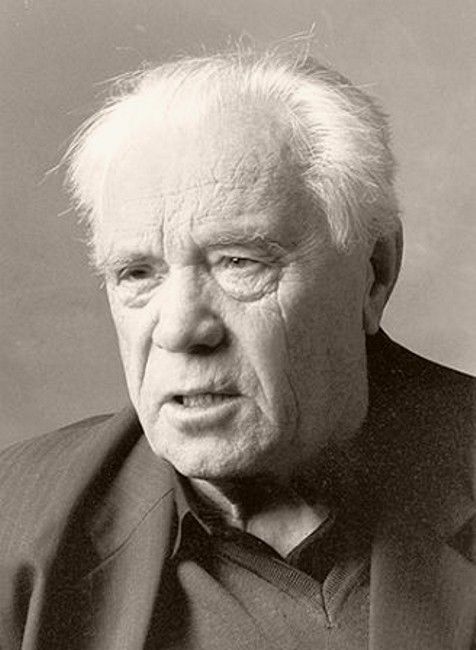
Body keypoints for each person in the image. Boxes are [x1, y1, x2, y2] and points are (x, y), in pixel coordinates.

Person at [0, 49, 474, 650]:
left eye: (239, 262)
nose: (179, 330)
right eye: (137, 274)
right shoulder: (13, 522)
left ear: (374, 273)